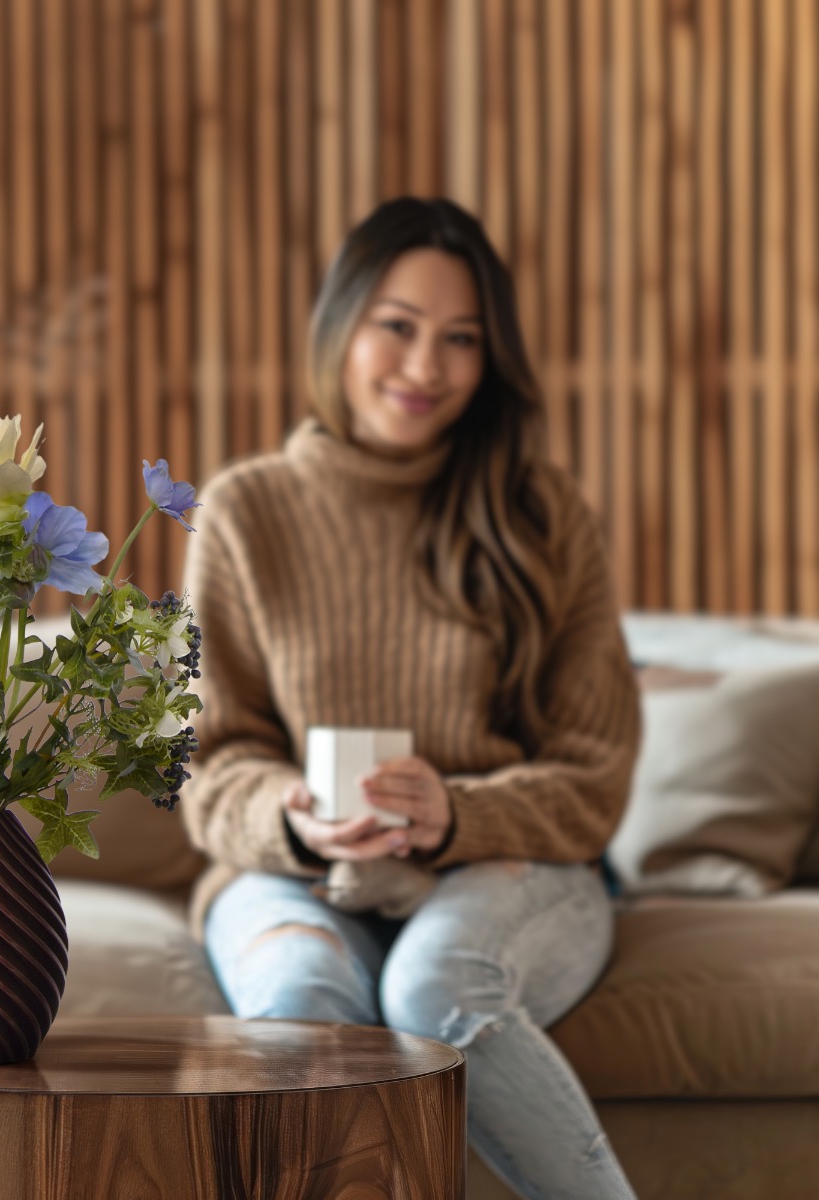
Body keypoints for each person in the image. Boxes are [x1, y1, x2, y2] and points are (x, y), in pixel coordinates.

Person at [179, 196, 641, 1200]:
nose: (426, 369)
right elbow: (210, 762)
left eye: (461, 340)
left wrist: (462, 811)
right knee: (301, 1001)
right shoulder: (246, 512)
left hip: (514, 864)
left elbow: (595, 774)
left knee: (433, 989)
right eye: (398, 326)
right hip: (301, 877)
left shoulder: (541, 515)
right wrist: (289, 816)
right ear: (341, 326)